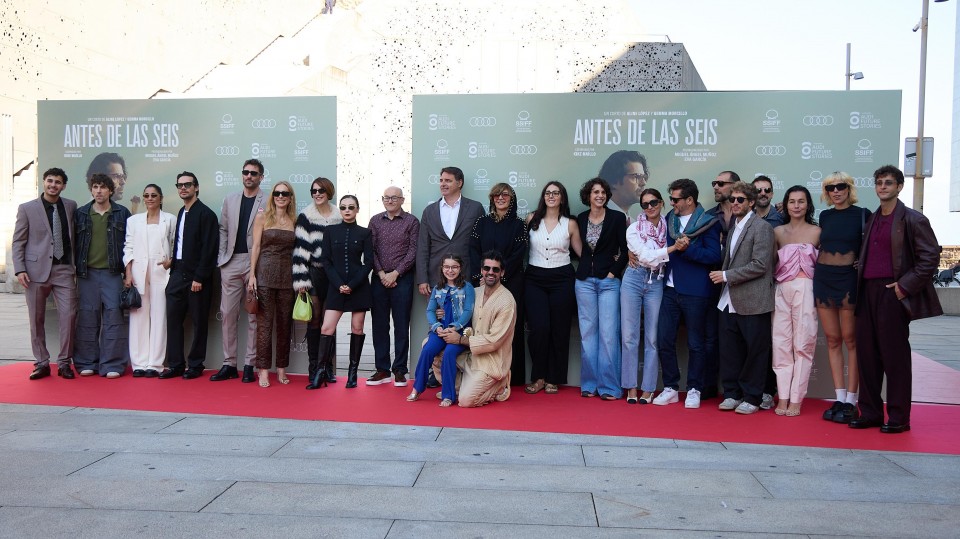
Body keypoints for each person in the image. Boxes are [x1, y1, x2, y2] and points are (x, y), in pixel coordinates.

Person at [850, 165, 942, 434]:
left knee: (895, 358)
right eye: (879, 182)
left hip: (893, 292)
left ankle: (899, 417)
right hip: (866, 292)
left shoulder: (913, 219)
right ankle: (870, 413)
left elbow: (930, 258)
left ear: (899, 186)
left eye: (888, 183)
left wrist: (904, 287)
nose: (883, 187)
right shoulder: (871, 219)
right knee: (867, 356)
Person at [653, 178, 722, 408]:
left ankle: (694, 388)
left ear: (689, 200)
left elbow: (714, 256)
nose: (671, 202)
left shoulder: (708, 223)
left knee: (696, 344)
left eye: (675, 199)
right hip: (670, 290)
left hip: (696, 291)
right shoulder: (669, 219)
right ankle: (671, 387)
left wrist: (688, 249)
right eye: (671, 198)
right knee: (664, 340)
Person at [709, 182, 776, 415]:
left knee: (755, 352)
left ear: (751, 202)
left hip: (753, 300)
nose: (735, 203)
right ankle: (732, 394)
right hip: (728, 300)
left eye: (740, 199)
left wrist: (726, 275)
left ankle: (752, 397)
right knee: (730, 351)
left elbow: (760, 265)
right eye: (732, 199)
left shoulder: (762, 227)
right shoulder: (733, 227)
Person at [415, 166, 484, 387]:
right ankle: (435, 370)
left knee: (465, 322)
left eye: (448, 180)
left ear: (459, 183)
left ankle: (463, 370)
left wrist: (481, 273)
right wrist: (423, 278)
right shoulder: (430, 211)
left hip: (466, 277)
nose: (443, 184)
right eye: (441, 180)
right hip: (438, 277)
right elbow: (423, 247)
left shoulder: (475, 208)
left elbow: (481, 243)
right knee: (438, 321)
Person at [814, 171, 871, 424]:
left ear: (849, 188)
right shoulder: (824, 216)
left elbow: (873, 246)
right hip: (824, 279)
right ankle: (839, 396)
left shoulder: (863, 214)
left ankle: (852, 399)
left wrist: (863, 263)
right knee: (833, 339)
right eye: (830, 188)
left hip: (848, 280)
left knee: (851, 340)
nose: (835, 191)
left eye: (840, 186)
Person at [13, 168, 78, 380]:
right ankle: (41, 363)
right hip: (34, 272)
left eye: (58, 182)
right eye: (50, 181)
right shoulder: (27, 208)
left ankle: (64, 362)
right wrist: (20, 269)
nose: (53, 185)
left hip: (64, 269)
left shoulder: (70, 206)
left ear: (63, 186)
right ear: (44, 182)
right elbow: (18, 241)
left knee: (69, 316)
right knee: (36, 318)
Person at [211, 158, 267, 383]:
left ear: (261, 177)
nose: (249, 176)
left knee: (254, 314)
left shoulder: (268, 200)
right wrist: (222, 258)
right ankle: (229, 364)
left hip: (256, 263)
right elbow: (223, 229)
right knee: (227, 314)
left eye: (254, 173)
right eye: (246, 172)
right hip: (231, 262)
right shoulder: (230, 199)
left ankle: (250, 365)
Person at [524, 182, 582, 395]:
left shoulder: (570, 223)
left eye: (555, 193)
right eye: (548, 193)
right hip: (534, 278)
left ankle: (553, 378)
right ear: (543, 197)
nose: (551, 196)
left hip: (562, 279)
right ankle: (538, 377)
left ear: (562, 197)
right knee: (539, 329)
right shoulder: (531, 219)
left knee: (560, 329)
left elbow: (582, 253)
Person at [159, 171, 219, 380]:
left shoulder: (207, 214)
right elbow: (182, 245)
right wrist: (173, 263)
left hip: (197, 277)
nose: (183, 188)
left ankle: (195, 364)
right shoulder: (181, 212)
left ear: (196, 187)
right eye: (180, 185)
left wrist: (199, 277)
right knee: (173, 321)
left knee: (199, 322)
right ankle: (175, 364)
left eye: (187, 184)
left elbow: (209, 249)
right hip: (177, 274)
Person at [73, 173, 132, 377]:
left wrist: (127, 273)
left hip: (113, 273)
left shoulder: (122, 213)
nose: (98, 191)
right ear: (91, 190)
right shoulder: (81, 213)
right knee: (87, 318)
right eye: (95, 187)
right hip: (86, 274)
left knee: (114, 318)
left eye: (103, 187)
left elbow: (129, 245)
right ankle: (87, 362)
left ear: (110, 191)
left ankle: (113, 364)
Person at [469, 183, 528, 385]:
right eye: (496, 195)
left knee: (512, 327)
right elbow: (473, 249)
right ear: (492, 199)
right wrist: (483, 275)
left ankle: (513, 377)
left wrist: (498, 276)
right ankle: (481, 372)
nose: (500, 198)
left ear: (512, 199)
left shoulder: (519, 224)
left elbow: (519, 254)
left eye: (505, 195)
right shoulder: (482, 222)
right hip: (483, 281)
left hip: (512, 281)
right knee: (481, 324)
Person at [441, 251, 517, 407]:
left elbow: (494, 342)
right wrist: (440, 312)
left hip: (490, 363)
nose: (490, 272)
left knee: (465, 401)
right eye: (487, 268)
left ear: (502, 272)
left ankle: (499, 385)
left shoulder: (507, 302)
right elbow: (455, 311)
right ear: (481, 270)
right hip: (468, 355)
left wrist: (460, 340)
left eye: (495, 269)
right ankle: (459, 387)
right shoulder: (474, 292)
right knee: (431, 347)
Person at [575, 178, 628, 400]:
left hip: (609, 283)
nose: (600, 195)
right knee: (587, 335)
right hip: (584, 282)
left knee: (608, 335)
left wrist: (613, 273)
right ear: (588, 196)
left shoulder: (617, 218)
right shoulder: (580, 218)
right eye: (595, 192)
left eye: (603, 192)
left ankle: (609, 387)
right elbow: (578, 249)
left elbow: (625, 251)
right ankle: (589, 384)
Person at [771, 186, 820, 416]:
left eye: (801, 201)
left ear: (808, 204)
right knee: (780, 344)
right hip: (781, 289)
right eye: (792, 201)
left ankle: (796, 399)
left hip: (807, 288)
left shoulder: (817, 232)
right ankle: (782, 396)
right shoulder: (778, 232)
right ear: (786, 204)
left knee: (803, 344)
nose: (797, 205)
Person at [316, 195, 374, 389]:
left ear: (357, 209)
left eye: (351, 207)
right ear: (339, 210)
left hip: (359, 287)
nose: (347, 210)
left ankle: (352, 374)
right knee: (326, 328)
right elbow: (326, 261)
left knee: (357, 328)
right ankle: (321, 372)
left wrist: (353, 284)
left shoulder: (365, 233)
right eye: (343, 207)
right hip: (336, 287)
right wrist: (339, 284)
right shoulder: (330, 231)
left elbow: (369, 263)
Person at [621, 188, 671, 405]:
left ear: (661, 203)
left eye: (654, 202)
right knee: (629, 336)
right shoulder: (633, 228)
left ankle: (649, 388)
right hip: (633, 277)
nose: (650, 207)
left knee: (652, 337)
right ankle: (630, 386)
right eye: (645, 204)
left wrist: (669, 249)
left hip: (657, 280)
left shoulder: (670, 228)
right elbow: (647, 257)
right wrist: (671, 250)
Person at [292, 177, 342, 388]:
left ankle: (327, 367)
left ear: (329, 192)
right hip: (314, 274)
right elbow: (300, 251)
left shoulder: (339, 215)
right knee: (314, 321)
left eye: (321, 190)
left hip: (333, 276)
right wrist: (301, 280)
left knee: (330, 323)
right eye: (314, 191)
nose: (317, 194)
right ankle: (314, 368)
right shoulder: (306, 216)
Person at [367, 186, 420, 387]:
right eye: (386, 197)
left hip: (402, 278)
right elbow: (370, 250)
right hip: (379, 278)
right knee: (379, 325)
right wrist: (382, 274)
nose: (389, 201)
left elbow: (413, 251)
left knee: (401, 325)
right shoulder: (375, 221)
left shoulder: (411, 221)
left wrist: (395, 273)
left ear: (402, 200)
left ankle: (399, 370)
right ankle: (382, 369)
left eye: (394, 198)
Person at [406, 254, 474, 406]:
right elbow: (430, 310)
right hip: (441, 330)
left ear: (460, 268)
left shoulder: (467, 287)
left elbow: (468, 311)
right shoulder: (438, 288)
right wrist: (436, 327)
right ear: (442, 268)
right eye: (447, 267)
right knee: (427, 350)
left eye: (454, 267)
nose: (450, 270)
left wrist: (455, 327)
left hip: (458, 331)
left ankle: (448, 395)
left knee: (449, 353)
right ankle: (417, 388)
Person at [123, 184, 176, 377]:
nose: (150, 198)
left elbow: (176, 245)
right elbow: (128, 247)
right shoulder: (133, 221)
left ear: (161, 198)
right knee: (138, 317)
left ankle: (155, 364)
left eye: (154, 195)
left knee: (159, 316)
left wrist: (171, 262)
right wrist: (128, 273)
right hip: (139, 272)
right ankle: (139, 363)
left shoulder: (170, 219)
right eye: (146, 195)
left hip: (161, 271)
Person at [248, 181, 297, 388]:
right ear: (272, 196)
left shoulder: (294, 220)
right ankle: (263, 370)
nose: (280, 196)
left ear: (290, 197)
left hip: (288, 277)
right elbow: (256, 247)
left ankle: (281, 368)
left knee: (285, 325)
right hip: (265, 275)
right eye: (277, 193)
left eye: (285, 193)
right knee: (264, 326)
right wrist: (252, 275)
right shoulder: (262, 217)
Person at [702, 170, 738, 402]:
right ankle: (709, 386)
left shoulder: (747, 215)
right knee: (711, 337)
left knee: (739, 338)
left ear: (736, 185)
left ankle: (738, 389)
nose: (716, 187)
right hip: (712, 283)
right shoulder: (707, 217)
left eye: (721, 183)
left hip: (741, 283)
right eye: (714, 183)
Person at [752, 174, 784, 407]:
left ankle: (768, 391)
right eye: (758, 190)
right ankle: (753, 389)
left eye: (767, 190)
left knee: (773, 341)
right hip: (750, 288)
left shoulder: (782, 219)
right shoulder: (744, 218)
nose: (762, 193)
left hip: (776, 286)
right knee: (754, 341)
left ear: (772, 193)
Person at [597, 150, 648, 223]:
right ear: (614, 181)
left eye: (644, 177)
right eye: (636, 177)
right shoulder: (595, 220)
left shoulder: (634, 224)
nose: (644, 183)